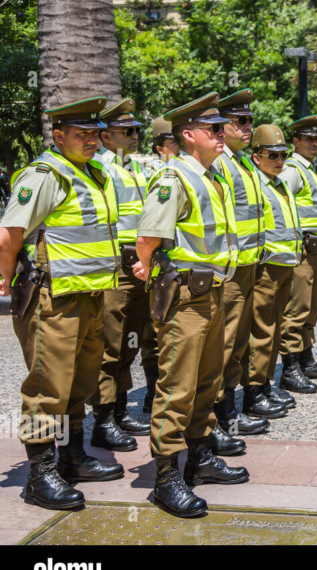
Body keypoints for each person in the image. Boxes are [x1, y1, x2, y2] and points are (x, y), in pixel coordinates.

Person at [0, 96, 126, 511]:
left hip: (88, 296)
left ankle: (71, 457)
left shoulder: (91, 173)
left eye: (95, 134)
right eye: (81, 134)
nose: (92, 141)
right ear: (58, 136)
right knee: (47, 388)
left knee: (79, 383)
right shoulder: (43, 175)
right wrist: (6, 280)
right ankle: (40, 475)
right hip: (51, 299)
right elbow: (8, 235)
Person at [135, 92, 248, 518]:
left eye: (222, 127)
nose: (223, 134)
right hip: (184, 297)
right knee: (177, 385)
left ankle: (199, 457)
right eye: (213, 128)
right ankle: (166, 478)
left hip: (212, 291)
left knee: (207, 381)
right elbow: (147, 238)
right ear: (188, 135)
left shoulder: (211, 176)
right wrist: (150, 269)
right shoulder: (174, 178)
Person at [214, 89, 287, 452]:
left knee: (239, 341)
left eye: (249, 121)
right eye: (239, 121)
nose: (247, 127)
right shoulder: (220, 164)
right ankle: (219, 417)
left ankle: (231, 411)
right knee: (225, 344)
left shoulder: (240, 163)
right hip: (228, 269)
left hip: (248, 265)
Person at [90, 98, 151, 452]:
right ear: (106, 136)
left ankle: (119, 408)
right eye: (127, 131)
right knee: (110, 343)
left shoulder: (136, 168)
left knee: (130, 339)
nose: (135, 136)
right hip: (115, 266)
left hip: (139, 265)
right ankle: (102, 420)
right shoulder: (100, 168)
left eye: (136, 130)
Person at [248, 125, 303, 448]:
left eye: (283, 155)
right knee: (262, 329)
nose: (280, 160)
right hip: (267, 266)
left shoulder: (278, 183)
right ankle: (253, 391)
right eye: (273, 155)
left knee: (275, 326)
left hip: (284, 264)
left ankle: (265, 384)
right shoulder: (256, 185)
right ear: (257, 157)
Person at [277, 115, 317, 390]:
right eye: (308, 139)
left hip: (315, 251)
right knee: (296, 310)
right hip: (301, 251)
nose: (314, 143)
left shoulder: (311, 169)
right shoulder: (292, 170)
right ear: (296, 141)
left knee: (310, 309)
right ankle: (289, 369)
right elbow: (278, 207)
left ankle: (306, 359)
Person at [140, 116, 177, 413]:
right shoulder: (155, 175)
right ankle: (152, 394)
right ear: (159, 147)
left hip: (166, 265)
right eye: (173, 142)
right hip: (152, 264)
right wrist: (145, 262)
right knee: (150, 335)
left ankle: (157, 394)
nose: (179, 147)